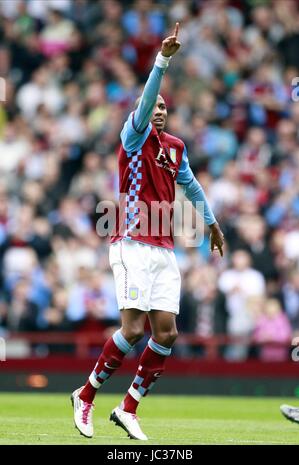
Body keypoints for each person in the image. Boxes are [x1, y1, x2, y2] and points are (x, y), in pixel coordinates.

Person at [71, 23, 224, 441]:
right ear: (140, 112)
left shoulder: (175, 146)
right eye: (151, 106)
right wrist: (163, 60)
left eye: (163, 108)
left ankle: (128, 407)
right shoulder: (133, 137)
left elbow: (190, 185)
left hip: (163, 248)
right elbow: (146, 100)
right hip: (130, 243)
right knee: (133, 328)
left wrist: (211, 223)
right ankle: (85, 395)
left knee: (167, 332)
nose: (158, 111)